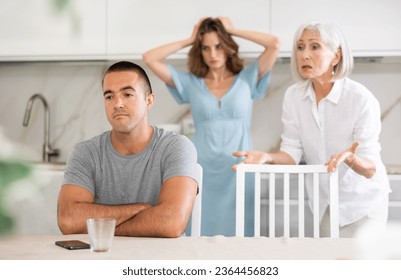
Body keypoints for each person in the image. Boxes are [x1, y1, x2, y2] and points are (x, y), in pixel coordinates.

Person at [233, 21, 391, 237]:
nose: (304, 55)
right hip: (324, 204)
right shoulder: (293, 97)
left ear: (336, 56)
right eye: (300, 47)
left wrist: (352, 159)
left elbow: (370, 168)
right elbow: (291, 153)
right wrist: (266, 157)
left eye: (314, 46)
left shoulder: (360, 99)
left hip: (362, 205)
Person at [143, 17, 280, 236]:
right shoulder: (191, 84)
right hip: (201, 167)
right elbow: (149, 58)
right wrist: (190, 39)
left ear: (228, 46)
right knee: (198, 230)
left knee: (241, 234)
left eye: (218, 46)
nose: (213, 54)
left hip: (239, 167)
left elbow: (274, 44)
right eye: (205, 48)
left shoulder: (247, 78)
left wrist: (233, 30)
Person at [57, 61, 199, 238]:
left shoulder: (176, 147)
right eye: (109, 97)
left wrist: (104, 229)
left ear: (149, 100)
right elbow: (68, 220)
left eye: (127, 94)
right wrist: (140, 209)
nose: (117, 104)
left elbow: (172, 223)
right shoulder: (86, 152)